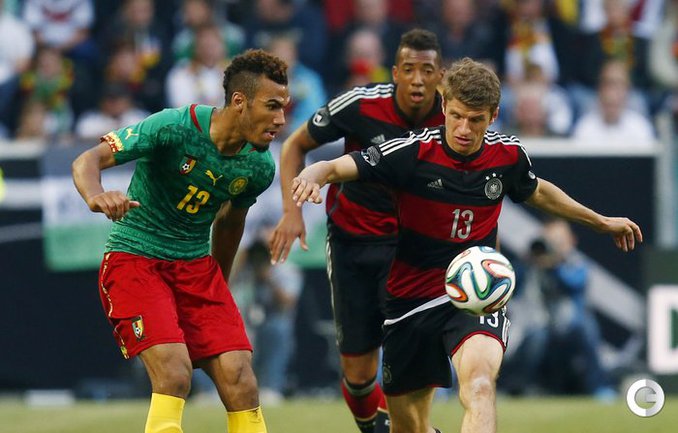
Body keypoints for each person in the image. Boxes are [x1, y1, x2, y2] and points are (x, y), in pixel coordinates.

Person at [286, 57, 642, 433]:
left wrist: (600, 221)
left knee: (480, 385)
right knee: (409, 427)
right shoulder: (410, 152)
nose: (463, 129)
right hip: (410, 300)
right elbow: (338, 166)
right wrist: (313, 174)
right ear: (443, 106)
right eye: (456, 116)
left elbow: (537, 191)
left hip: (475, 294)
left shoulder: (508, 156)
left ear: (493, 116)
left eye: (476, 120)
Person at [71, 49, 289, 433]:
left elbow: (230, 224)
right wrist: (96, 195)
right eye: (272, 106)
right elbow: (87, 160)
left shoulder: (258, 166)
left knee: (241, 381)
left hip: (196, 268)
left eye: (284, 108)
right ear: (240, 101)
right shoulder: (173, 127)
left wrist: (219, 285)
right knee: (174, 374)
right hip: (135, 259)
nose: (281, 120)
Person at [269, 28, 445, 433]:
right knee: (358, 373)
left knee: (407, 360)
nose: (418, 80)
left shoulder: (453, 116)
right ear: (395, 73)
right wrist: (292, 212)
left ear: (440, 75)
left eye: (427, 70)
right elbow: (295, 145)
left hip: (412, 250)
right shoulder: (360, 104)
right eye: (409, 69)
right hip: (353, 242)